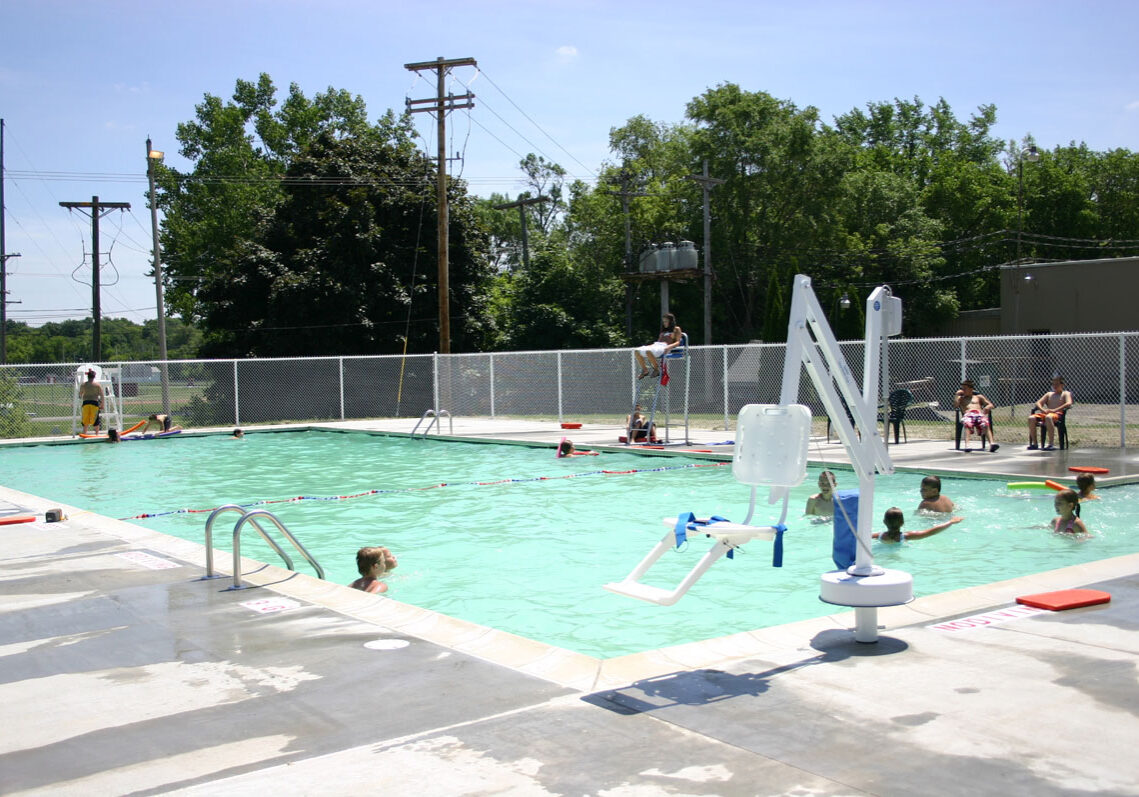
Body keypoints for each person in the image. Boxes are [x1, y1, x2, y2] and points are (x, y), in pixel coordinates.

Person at [1027, 376, 1073, 450]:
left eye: (1057, 384)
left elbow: (1069, 403)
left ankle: (1050, 444)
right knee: (1031, 418)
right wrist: (1043, 410)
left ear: (1062, 385)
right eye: (1053, 384)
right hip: (1046, 413)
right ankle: (1035, 444)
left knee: (1049, 417)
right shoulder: (1049, 394)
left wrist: (1055, 410)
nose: (1054, 386)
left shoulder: (1065, 393)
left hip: (1057, 415)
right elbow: (1038, 403)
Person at [873, 507, 963, 543]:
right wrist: (951, 522)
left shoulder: (878, 536)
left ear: (884, 522)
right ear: (902, 523)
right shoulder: (907, 536)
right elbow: (930, 532)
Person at [954, 379, 999, 452]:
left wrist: (988, 407)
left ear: (971, 389)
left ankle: (992, 444)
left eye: (965, 389)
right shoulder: (961, 398)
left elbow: (991, 404)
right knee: (967, 423)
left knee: (985, 423)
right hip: (968, 415)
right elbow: (956, 405)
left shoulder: (978, 397)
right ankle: (967, 445)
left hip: (979, 414)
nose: (963, 390)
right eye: (962, 389)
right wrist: (957, 395)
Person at [634, 313, 683, 380]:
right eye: (663, 322)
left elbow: (678, 342)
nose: (664, 323)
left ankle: (656, 369)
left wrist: (668, 347)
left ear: (670, 321)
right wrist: (649, 346)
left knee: (649, 351)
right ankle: (645, 370)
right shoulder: (664, 330)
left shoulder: (676, 329)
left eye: (666, 321)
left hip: (665, 347)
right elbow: (658, 342)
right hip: (657, 345)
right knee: (637, 351)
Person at [78, 369, 104, 434]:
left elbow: (80, 394)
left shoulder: (83, 385)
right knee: (95, 420)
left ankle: (84, 433)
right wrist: (102, 404)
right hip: (94, 403)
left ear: (88, 376)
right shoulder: (97, 385)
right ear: (94, 377)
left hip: (86, 403)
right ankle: (96, 434)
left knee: (85, 419)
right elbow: (102, 396)